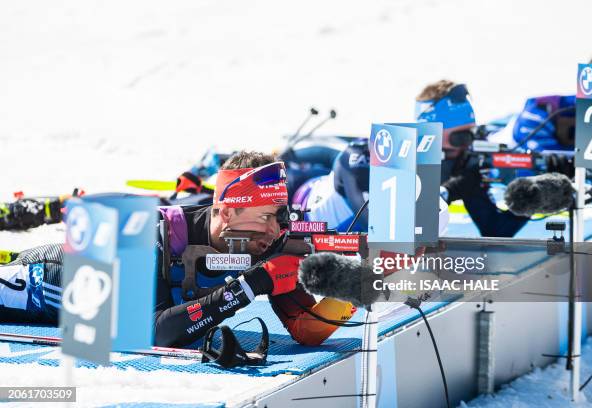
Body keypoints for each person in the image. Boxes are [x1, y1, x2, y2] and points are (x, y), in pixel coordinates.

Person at [0, 151, 355, 349]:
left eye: (279, 216)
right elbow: (154, 334)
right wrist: (249, 286)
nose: (276, 230)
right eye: (266, 217)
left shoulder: (267, 240)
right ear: (229, 212)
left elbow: (307, 329)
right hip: (41, 284)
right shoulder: (155, 231)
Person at [415, 80, 531, 237]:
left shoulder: (468, 167)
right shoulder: (402, 163)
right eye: (460, 137)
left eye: (472, 134)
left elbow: (496, 229)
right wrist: (450, 190)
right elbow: (406, 223)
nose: (468, 144)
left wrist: (532, 195)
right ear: (430, 133)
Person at [292, 139, 450, 236]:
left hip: (319, 194)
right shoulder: (357, 164)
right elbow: (338, 156)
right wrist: (291, 155)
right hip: (301, 197)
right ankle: (290, 156)